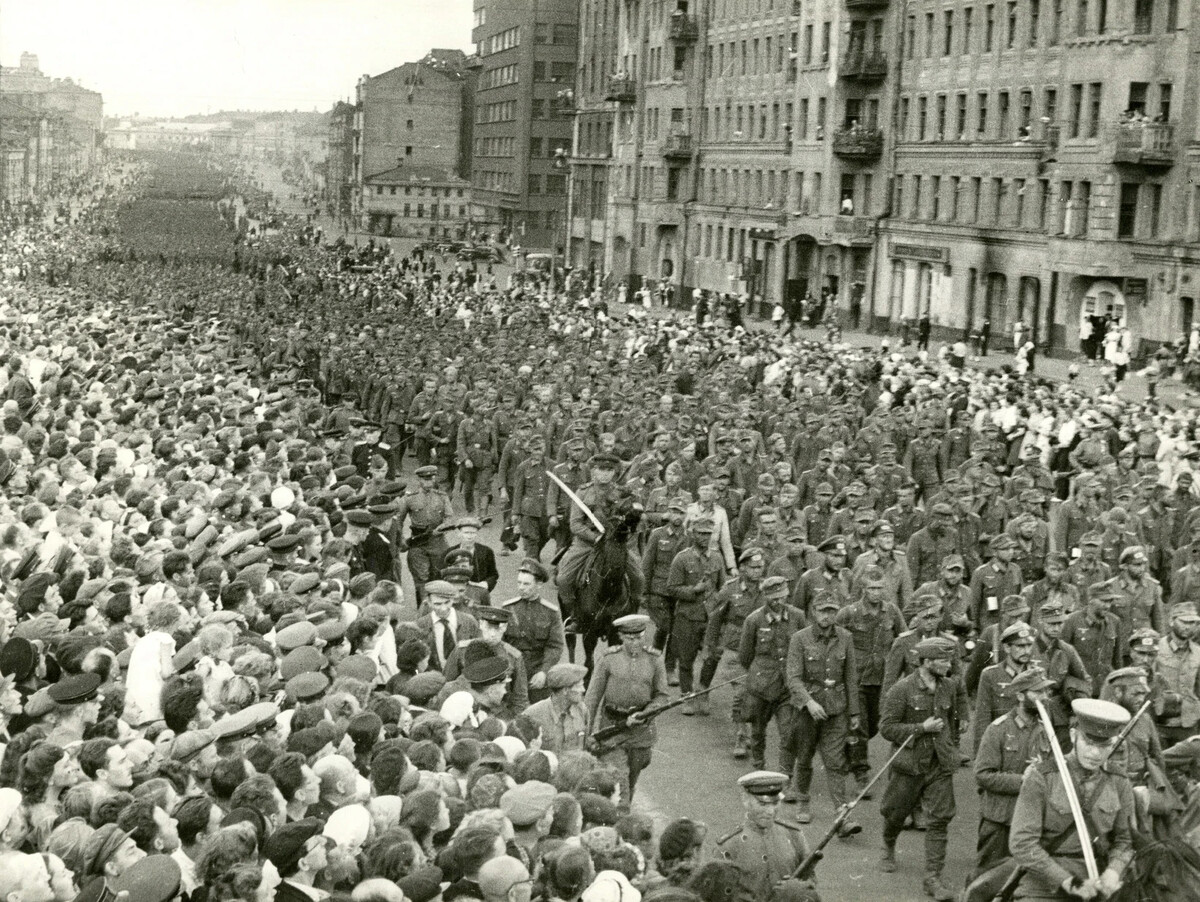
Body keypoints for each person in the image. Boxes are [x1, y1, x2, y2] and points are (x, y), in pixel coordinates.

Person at [1008, 698, 1135, 900]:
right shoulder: (1043, 777)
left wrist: (1114, 870)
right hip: (1046, 884)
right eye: (1089, 742)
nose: (1095, 753)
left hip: (1100, 882)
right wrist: (1069, 882)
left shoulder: (1118, 781)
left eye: (1104, 746)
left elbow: (1125, 841)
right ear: (1073, 735)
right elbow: (1022, 844)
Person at [877, 636, 966, 902]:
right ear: (926, 662)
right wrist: (920, 729)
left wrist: (950, 748)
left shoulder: (948, 686)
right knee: (895, 813)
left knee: (939, 819)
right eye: (943, 660)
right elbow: (886, 728)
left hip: (938, 764)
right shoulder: (901, 690)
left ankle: (933, 878)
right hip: (910, 765)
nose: (948, 665)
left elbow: (950, 721)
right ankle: (888, 845)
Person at [972, 665, 1053, 877]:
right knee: (987, 879)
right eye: (1038, 692)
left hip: (1030, 823)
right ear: (1020, 695)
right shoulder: (997, 730)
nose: (1044, 697)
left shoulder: (1046, 730)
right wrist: (1022, 780)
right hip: (1000, 820)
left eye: (1046, 692)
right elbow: (982, 775)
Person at [583, 614, 670, 807]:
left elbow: (662, 695)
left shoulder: (655, 660)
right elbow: (592, 698)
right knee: (617, 779)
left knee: (631, 780)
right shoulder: (608, 659)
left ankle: (624, 809)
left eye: (639, 637)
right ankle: (619, 814)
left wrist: (648, 711)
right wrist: (587, 733)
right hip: (613, 728)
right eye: (630, 638)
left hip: (641, 732)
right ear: (621, 637)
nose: (635, 642)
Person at [715, 772, 811, 899]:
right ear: (745, 800)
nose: (770, 811)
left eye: (775, 803)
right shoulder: (729, 846)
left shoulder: (794, 835)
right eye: (763, 804)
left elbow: (810, 882)